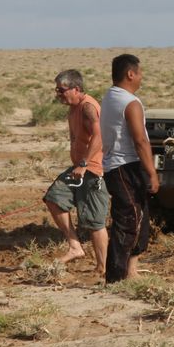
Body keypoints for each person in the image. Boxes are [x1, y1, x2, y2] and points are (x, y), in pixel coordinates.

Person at [42, 70, 110, 275]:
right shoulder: (74, 107)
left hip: (93, 170)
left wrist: (83, 163)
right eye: (57, 91)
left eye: (61, 90)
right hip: (79, 169)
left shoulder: (88, 107)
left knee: (95, 221)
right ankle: (75, 247)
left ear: (76, 89)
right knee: (54, 198)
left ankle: (103, 267)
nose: (59, 95)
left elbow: (100, 137)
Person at [100, 53, 160, 283]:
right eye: (140, 73)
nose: (141, 78)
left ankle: (129, 272)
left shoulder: (110, 97)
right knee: (128, 221)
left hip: (116, 166)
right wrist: (152, 172)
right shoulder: (130, 102)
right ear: (130, 74)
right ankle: (115, 279)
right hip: (125, 166)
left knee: (137, 219)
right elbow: (140, 141)